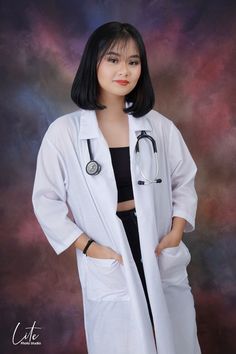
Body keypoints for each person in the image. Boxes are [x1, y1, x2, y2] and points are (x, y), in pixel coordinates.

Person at [32, 22, 201, 354]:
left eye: (134, 61)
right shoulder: (63, 133)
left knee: (175, 339)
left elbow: (185, 180)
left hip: (156, 244)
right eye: (113, 60)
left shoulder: (159, 127)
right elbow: (46, 201)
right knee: (120, 342)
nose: (125, 70)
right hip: (109, 250)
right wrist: (89, 247)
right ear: (93, 63)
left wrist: (177, 232)